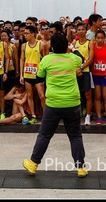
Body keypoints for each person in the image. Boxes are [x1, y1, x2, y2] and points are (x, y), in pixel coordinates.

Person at [22, 32, 88, 178]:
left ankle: (33, 164)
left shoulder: (46, 59)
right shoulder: (73, 59)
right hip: (72, 102)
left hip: (53, 103)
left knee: (44, 135)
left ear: (52, 46)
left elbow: (39, 78)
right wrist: (72, 48)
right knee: (75, 136)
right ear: (66, 46)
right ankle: (81, 167)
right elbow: (82, 58)